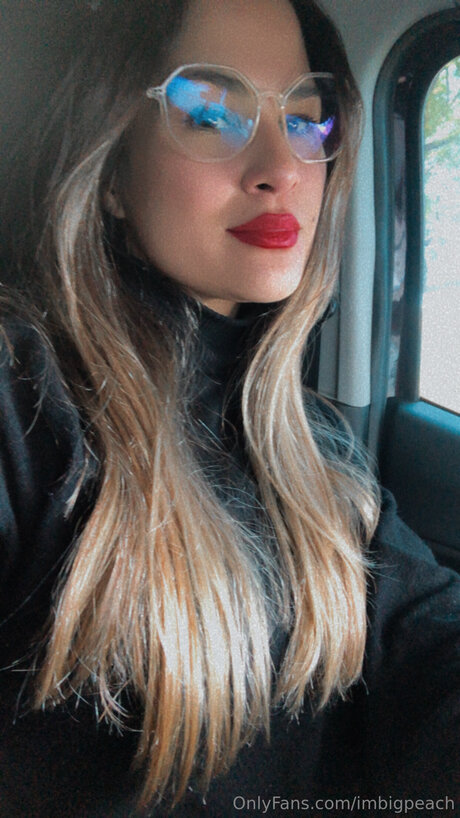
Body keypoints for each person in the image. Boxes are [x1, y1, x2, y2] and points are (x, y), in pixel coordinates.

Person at [0, 0, 458, 815]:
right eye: (212, 115)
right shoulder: (23, 402)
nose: (283, 166)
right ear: (112, 168)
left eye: (307, 122)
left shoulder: (316, 444)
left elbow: (425, 643)